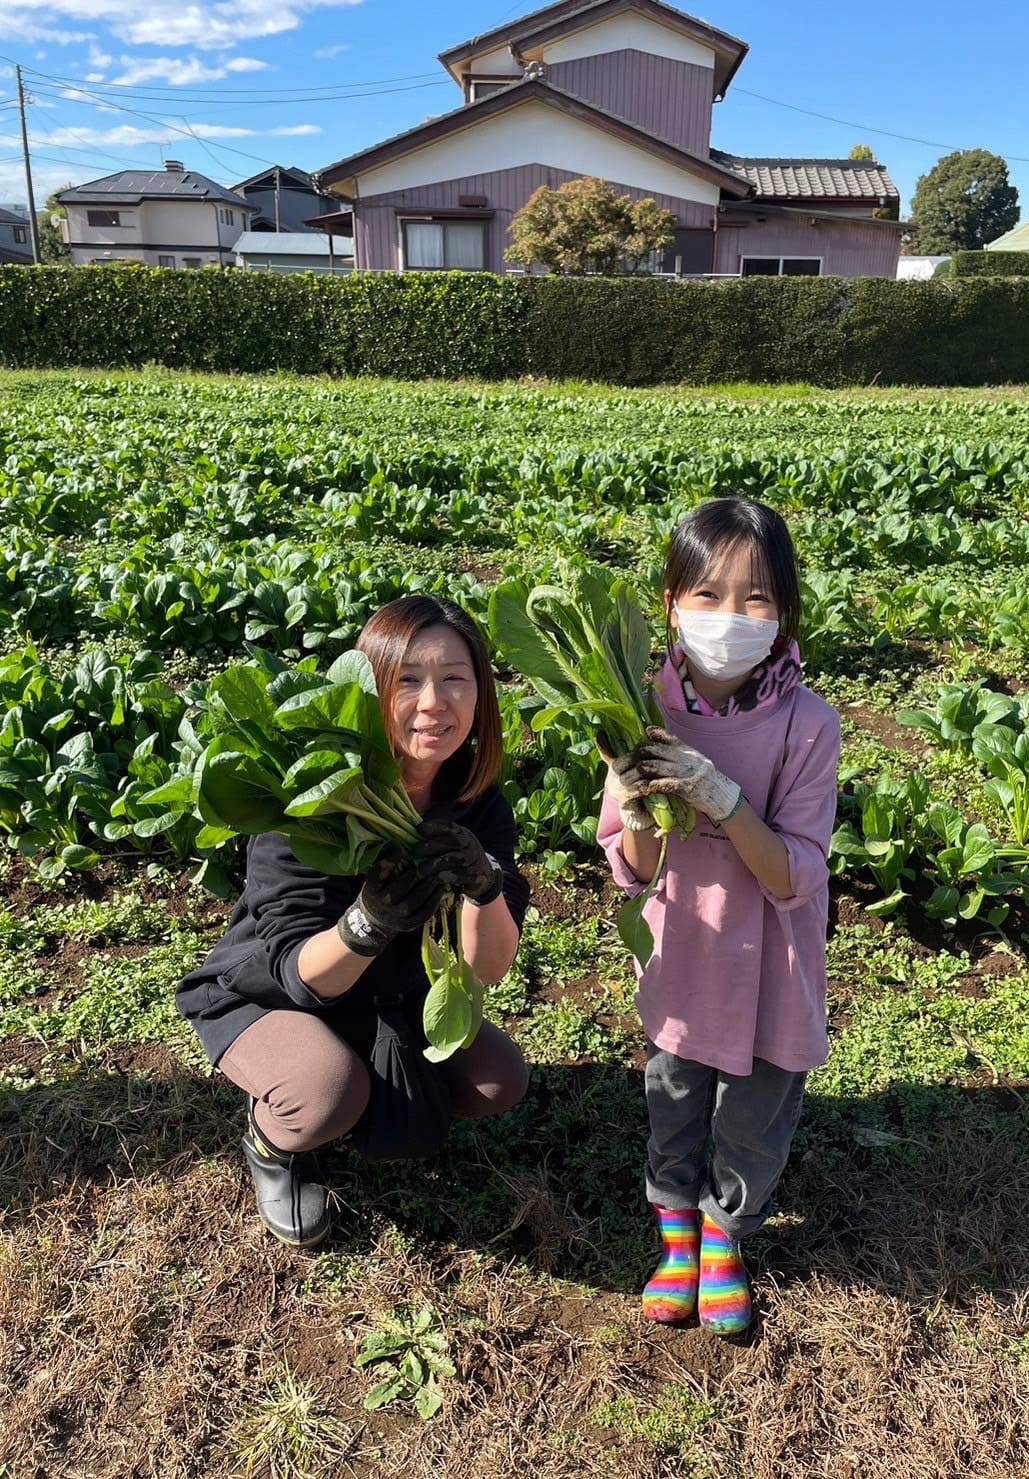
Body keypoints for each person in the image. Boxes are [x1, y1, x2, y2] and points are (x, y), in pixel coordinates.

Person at [178, 595, 530, 1247]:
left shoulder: (477, 806)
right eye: (410, 680)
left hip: (389, 992)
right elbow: (299, 973)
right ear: (374, 691)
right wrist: (367, 921)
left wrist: (484, 886)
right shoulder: (304, 802)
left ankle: (361, 1085)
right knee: (325, 1091)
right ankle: (271, 1143)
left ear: (480, 692)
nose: (434, 702)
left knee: (497, 1078)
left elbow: (490, 967)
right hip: (275, 994)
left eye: (455, 678)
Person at [597, 497, 840, 1337]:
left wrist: (722, 797)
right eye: (706, 594)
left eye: (756, 598)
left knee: (756, 1106)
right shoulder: (636, 711)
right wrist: (634, 806)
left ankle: (723, 1234)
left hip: (773, 958)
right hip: (685, 954)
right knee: (673, 1091)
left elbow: (796, 873)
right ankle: (675, 1234)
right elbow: (631, 867)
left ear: (784, 615)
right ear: (669, 603)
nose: (729, 617)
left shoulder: (808, 724)